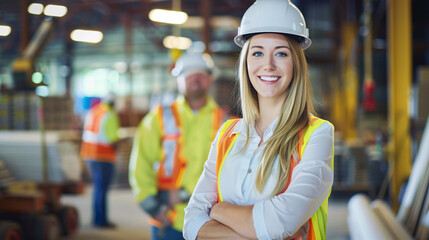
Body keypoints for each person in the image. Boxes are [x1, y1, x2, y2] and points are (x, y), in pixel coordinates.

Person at [183, 0, 335, 239]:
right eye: (257, 53)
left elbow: (277, 224)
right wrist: (259, 230)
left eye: (281, 53)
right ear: (246, 62)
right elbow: (191, 223)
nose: (268, 65)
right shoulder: (227, 133)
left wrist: (218, 210)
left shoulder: (316, 134)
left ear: (296, 63)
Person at [129, 53, 227, 240]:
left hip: (212, 220)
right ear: (179, 80)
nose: (195, 79)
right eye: (189, 74)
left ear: (210, 79)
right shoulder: (158, 118)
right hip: (170, 218)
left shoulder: (225, 122)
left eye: (201, 74)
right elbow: (141, 163)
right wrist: (151, 205)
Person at [80, 92, 121, 228]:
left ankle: (96, 218)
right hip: (103, 156)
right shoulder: (110, 114)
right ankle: (101, 221)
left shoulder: (94, 111)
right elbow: (112, 138)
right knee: (102, 189)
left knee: (98, 188)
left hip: (89, 155)